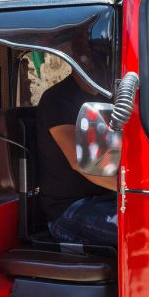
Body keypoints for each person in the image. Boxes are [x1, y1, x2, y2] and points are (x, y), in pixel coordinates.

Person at [36, 71, 118, 247]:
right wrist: (132, 189)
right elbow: (79, 162)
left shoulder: (106, 99)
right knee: (145, 231)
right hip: (69, 210)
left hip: (107, 199)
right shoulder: (58, 99)